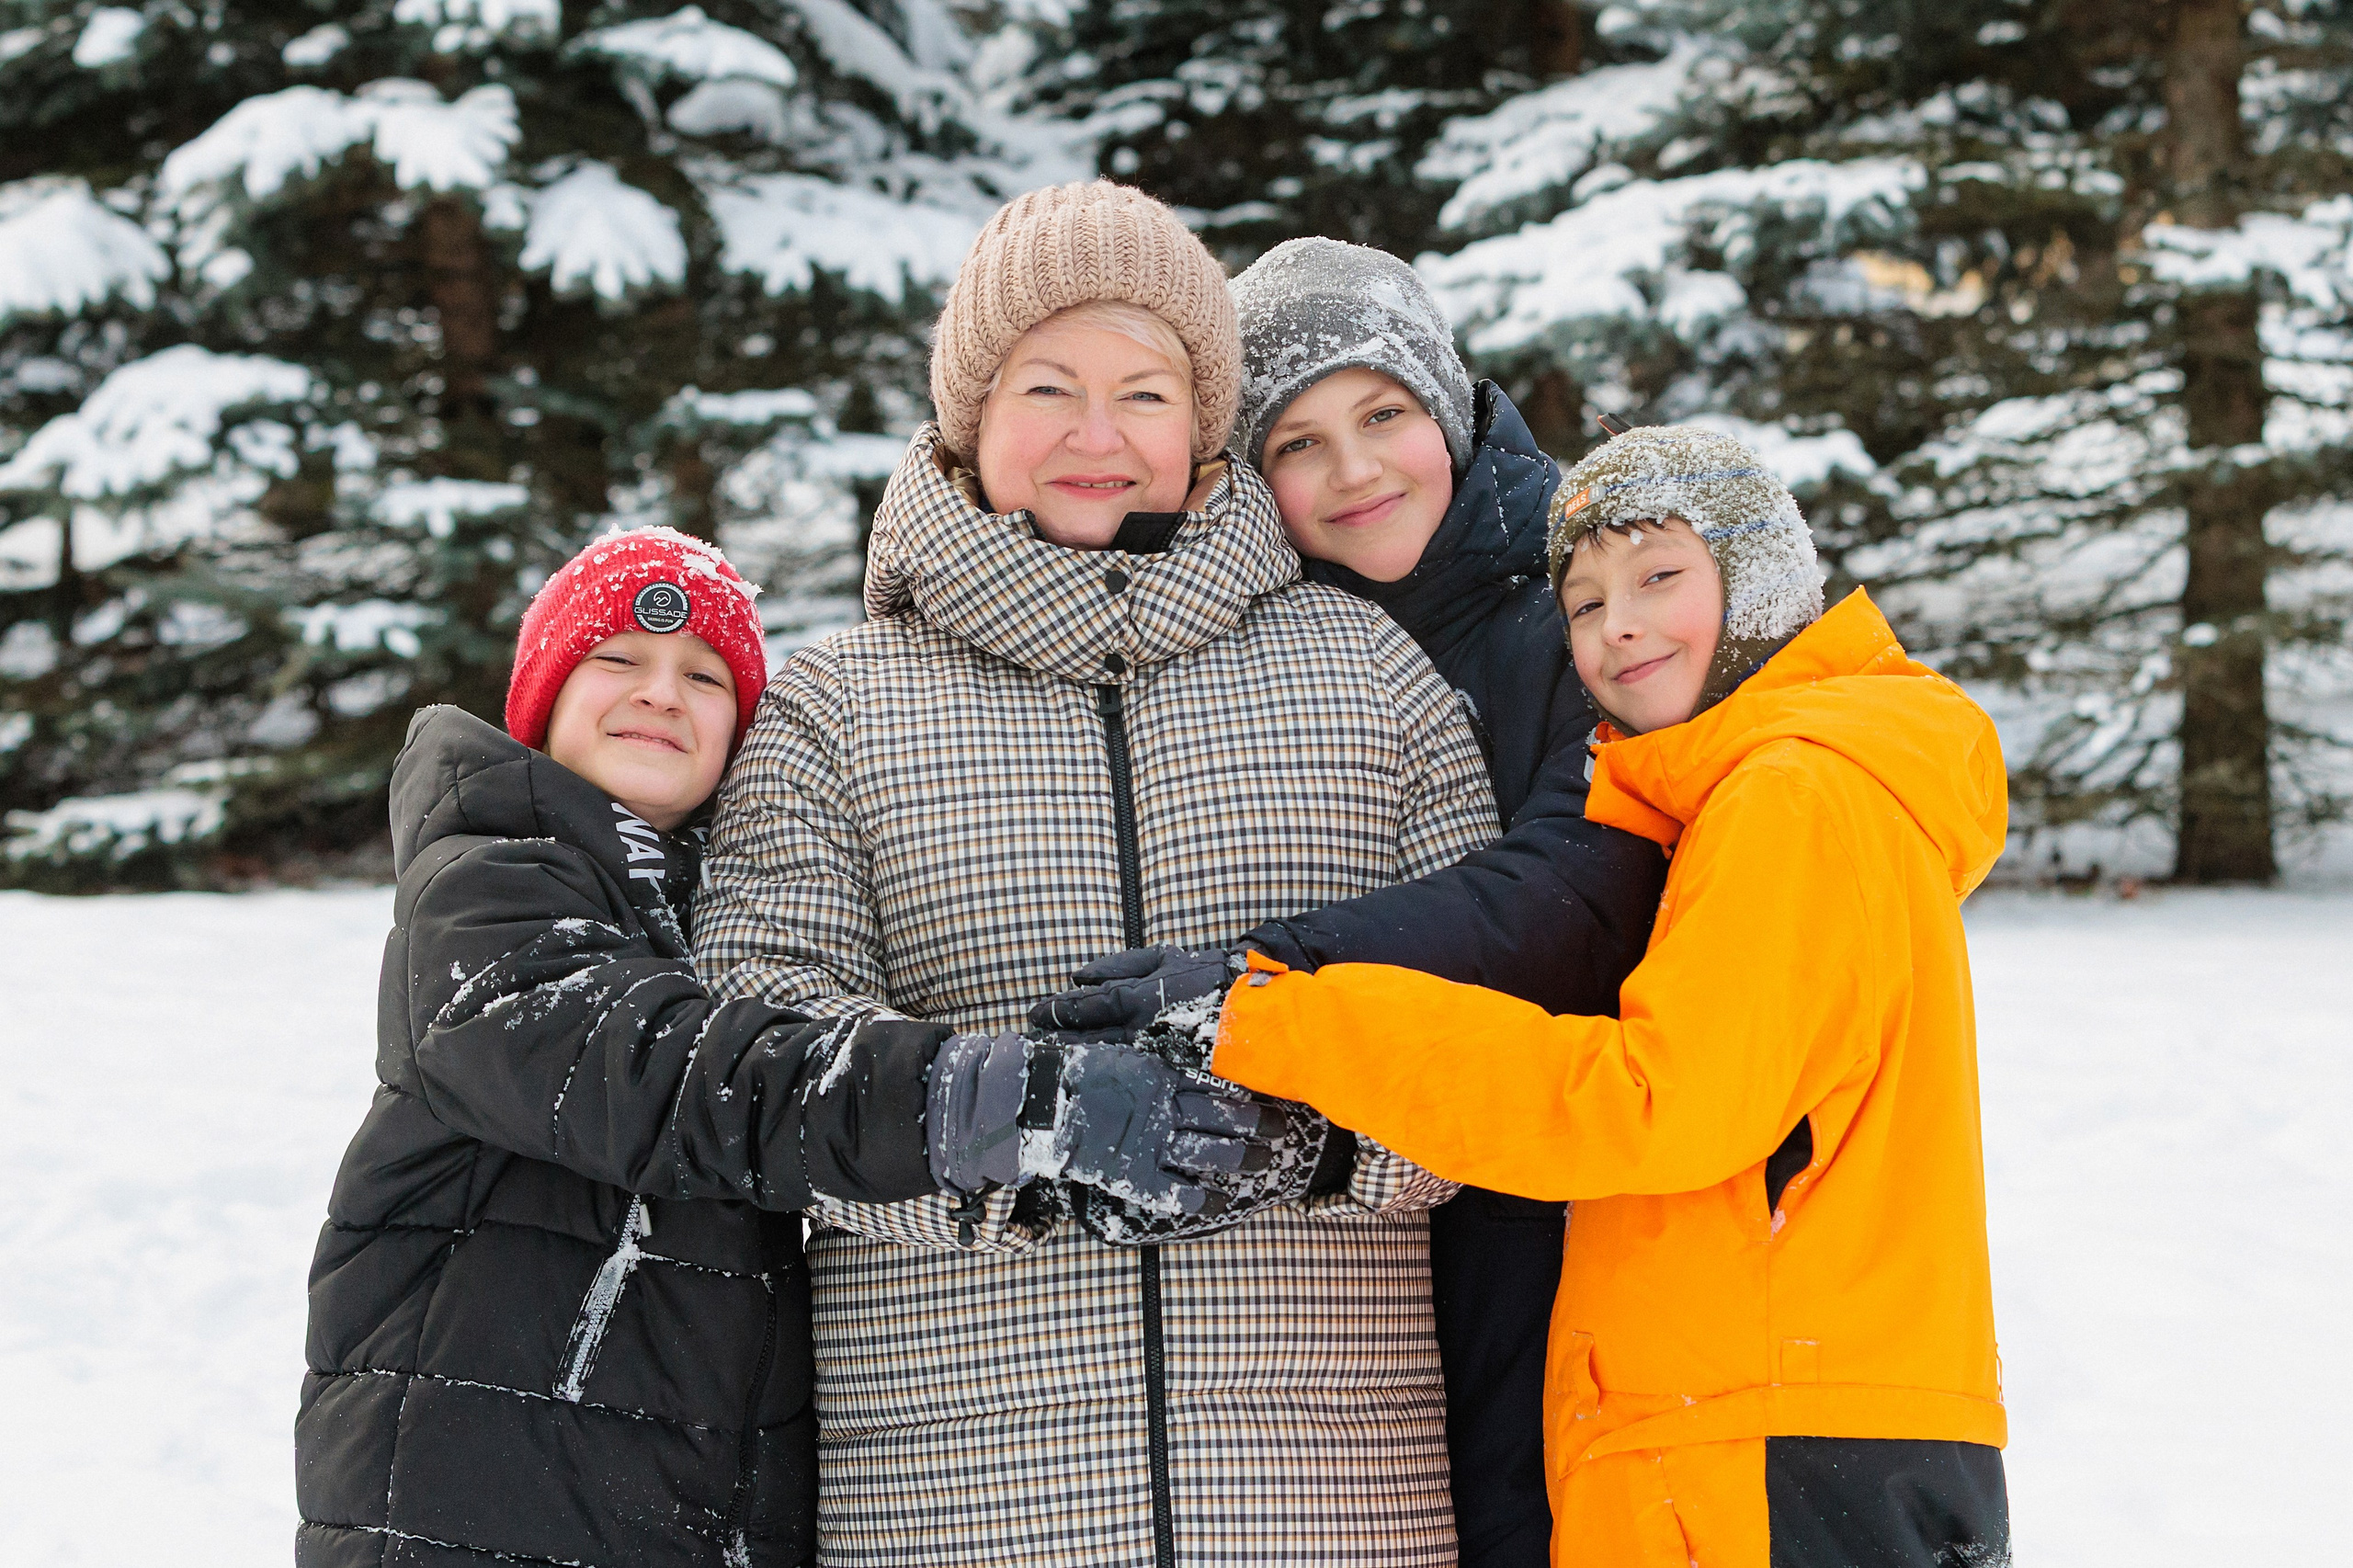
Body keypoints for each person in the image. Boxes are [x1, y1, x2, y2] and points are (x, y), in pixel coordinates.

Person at [694, 182, 1499, 1567]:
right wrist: (1017, 1120)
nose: (1094, 433)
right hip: (960, 1491)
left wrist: (1308, 1148)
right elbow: (763, 1058)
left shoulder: (1371, 678)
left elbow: (1499, 1042)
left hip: (1330, 1496)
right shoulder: (834, 704)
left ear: (1200, 424)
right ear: (968, 412)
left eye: (1143, 390)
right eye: (1047, 384)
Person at [295, 526, 1268, 1567]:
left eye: (703, 677)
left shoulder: (713, 917)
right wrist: (998, 1102)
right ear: (541, 698)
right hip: (472, 1511)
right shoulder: (489, 880)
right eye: (616, 659)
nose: (660, 692)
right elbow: (666, 1075)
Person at [1200, 425, 2014, 1567]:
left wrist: (1286, 1022)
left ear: (1763, 581)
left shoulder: (1793, 799)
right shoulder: (1801, 786)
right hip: (1775, 1432)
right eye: (1582, 603)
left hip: (1757, 1455)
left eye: (1659, 575)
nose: (1616, 623)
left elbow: (1648, 1103)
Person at [1034, 238, 1665, 1568]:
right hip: (1369, 1237)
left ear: (1449, 403)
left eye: (1383, 414)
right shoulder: (1268, 656)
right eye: (1299, 443)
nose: (1357, 470)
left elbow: (1579, 886)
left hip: (1583, 1192)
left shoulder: (1584, 611)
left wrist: (1263, 972)